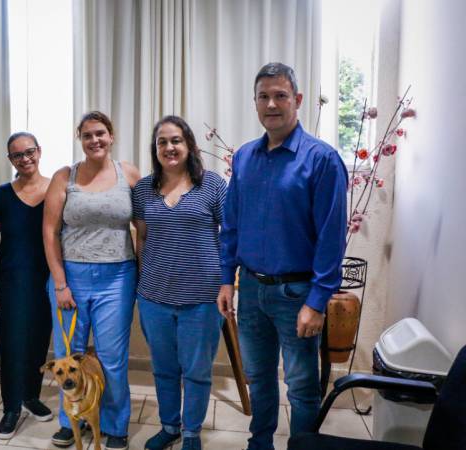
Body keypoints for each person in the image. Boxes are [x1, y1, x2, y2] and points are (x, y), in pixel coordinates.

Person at [217, 62, 348, 450]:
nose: (271, 104)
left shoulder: (322, 160)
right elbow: (232, 224)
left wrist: (317, 301)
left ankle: (302, 446)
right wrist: (226, 279)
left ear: (297, 99)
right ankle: (260, 444)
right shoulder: (244, 157)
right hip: (251, 290)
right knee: (258, 379)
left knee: (302, 387)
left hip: (297, 295)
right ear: (255, 102)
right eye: (264, 96)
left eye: (280, 95)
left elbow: (331, 239)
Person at [43, 111, 140, 450]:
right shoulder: (64, 176)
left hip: (118, 278)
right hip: (71, 278)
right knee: (68, 355)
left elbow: (144, 229)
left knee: (112, 357)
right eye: (87, 135)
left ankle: (115, 424)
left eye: (100, 133)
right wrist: (60, 283)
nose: (94, 140)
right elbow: (50, 232)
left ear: (111, 136)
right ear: (80, 140)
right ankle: (71, 421)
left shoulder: (128, 174)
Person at [133, 116, 226, 450]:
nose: (169, 147)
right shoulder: (143, 189)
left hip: (202, 297)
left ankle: (191, 433)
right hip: (153, 296)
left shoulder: (212, 185)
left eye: (176, 140)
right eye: (162, 142)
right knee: (164, 369)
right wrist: (142, 283)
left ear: (189, 145)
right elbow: (142, 237)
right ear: (155, 148)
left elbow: (230, 235)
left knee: (197, 371)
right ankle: (170, 426)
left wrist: (228, 283)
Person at [0, 132, 54, 439]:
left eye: (29, 152)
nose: (25, 159)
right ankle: (11, 407)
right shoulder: (2, 194)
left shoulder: (56, 189)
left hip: (47, 280)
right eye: (17, 155)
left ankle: (30, 396)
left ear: (39, 151)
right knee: (12, 344)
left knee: (39, 340)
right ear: (10, 159)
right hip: (10, 280)